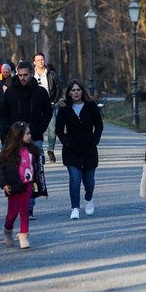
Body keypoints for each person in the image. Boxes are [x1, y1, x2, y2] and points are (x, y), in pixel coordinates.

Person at [0, 61, 53, 220]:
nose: (22, 78)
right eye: (20, 75)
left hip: (34, 138)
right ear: (17, 74)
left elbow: (48, 112)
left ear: (31, 74)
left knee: (33, 172)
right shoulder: (10, 93)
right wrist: (7, 134)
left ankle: (29, 207)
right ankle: (20, 204)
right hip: (14, 139)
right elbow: (3, 114)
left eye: (26, 75)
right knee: (16, 172)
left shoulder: (40, 92)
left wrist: (39, 129)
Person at [55, 79, 103, 220]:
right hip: (72, 150)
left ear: (82, 91)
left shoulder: (91, 106)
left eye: (78, 90)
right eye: (73, 90)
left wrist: (95, 140)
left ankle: (88, 199)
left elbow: (99, 125)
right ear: (69, 93)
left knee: (89, 181)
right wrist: (66, 142)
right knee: (75, 179)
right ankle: (74, 208)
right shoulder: (64, 108)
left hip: (89, 149)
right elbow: (59, 129)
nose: (76, 93)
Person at [0, 121, 41, 249]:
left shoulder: (32, 150)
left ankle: (23, 235)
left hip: (27, 185)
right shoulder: (8, 152)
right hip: (13, 186)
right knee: (12, 213)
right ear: (18, 135)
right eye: (27, 134)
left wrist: (36, 181)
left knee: (24, 210)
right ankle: (8, 229)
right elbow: (0, 169)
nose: (30, 136)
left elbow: (35, 167)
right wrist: (4, 184)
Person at [33, 53, 62, 164]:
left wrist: (53, 101)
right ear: (34, 62)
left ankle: (50, 149)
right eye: (38, 60)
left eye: (42, 59)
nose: (41, 61)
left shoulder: (51, 74)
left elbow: (58, 88)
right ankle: (38, 151)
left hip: (49, 105)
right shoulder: (31, 74)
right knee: (36, 129)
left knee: (52, 129)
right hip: (35, 107)